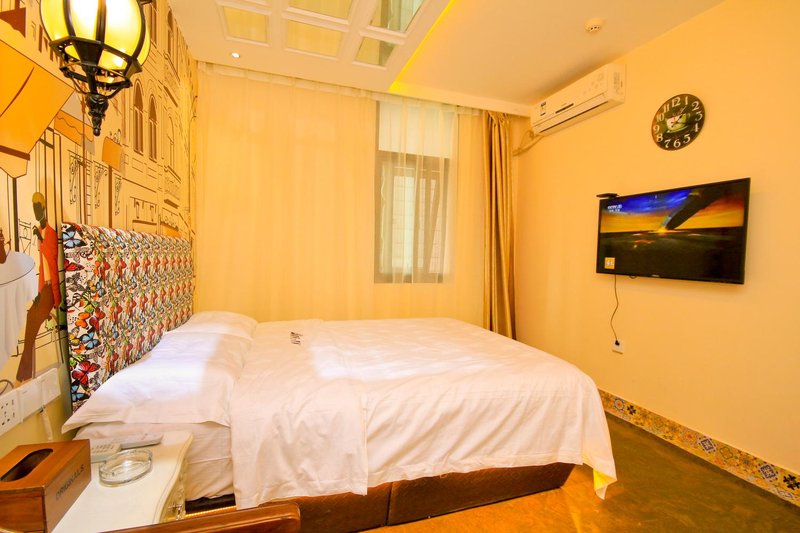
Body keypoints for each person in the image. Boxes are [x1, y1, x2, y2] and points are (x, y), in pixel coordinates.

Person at [16, 192, 60, 384]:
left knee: (32, 323)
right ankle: (25, 373)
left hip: (51, 291)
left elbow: (51, 258)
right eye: (33, 208)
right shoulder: (40, 232)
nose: (35, 211)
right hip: (44, 288)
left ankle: (24, 374)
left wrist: (40, 239)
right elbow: (42, 266)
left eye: (37, 207)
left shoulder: (50, 232)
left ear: (43, 208)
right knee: (29, 318)